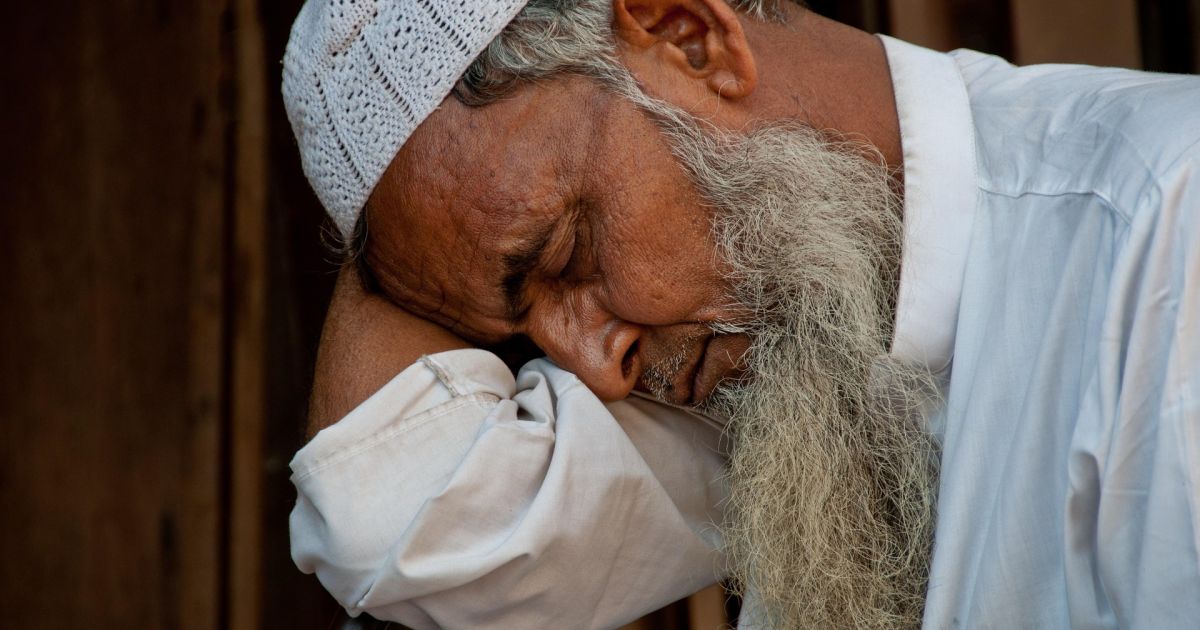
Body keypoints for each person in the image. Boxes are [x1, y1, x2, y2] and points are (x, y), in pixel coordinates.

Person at [282, 0, 1200, 627]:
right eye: (518, 334)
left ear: (689, 37)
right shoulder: (776, 348)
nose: (596, 369)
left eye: (569, 256)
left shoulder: (1166, 237)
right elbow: (394, 516)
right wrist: (368, 128)